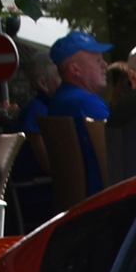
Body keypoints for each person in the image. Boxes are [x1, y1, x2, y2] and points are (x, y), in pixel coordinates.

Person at [18, 29, 111, 214]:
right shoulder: (87, 104)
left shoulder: (59, 101)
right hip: (105, 205)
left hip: (76, 210)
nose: (105, 65)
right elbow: (120, 155)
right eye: (97, 60)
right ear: (75, 69)